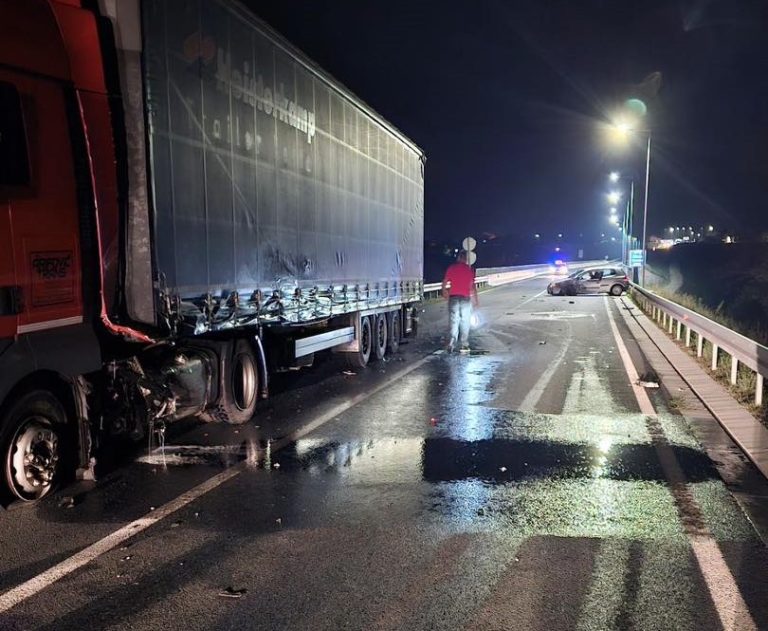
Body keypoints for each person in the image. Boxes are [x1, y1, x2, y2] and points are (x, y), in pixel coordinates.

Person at [441, 250, 478, 353]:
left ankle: (451, 344)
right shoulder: (469, 270)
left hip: (453, 298)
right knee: (465, 321)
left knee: (453, 321)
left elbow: (445, 281)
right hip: (465, 298)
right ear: (466, 259)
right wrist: (476, 300)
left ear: (458, 258)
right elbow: (472, 286)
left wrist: (444, 291)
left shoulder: (452, 268)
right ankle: (464, 345)